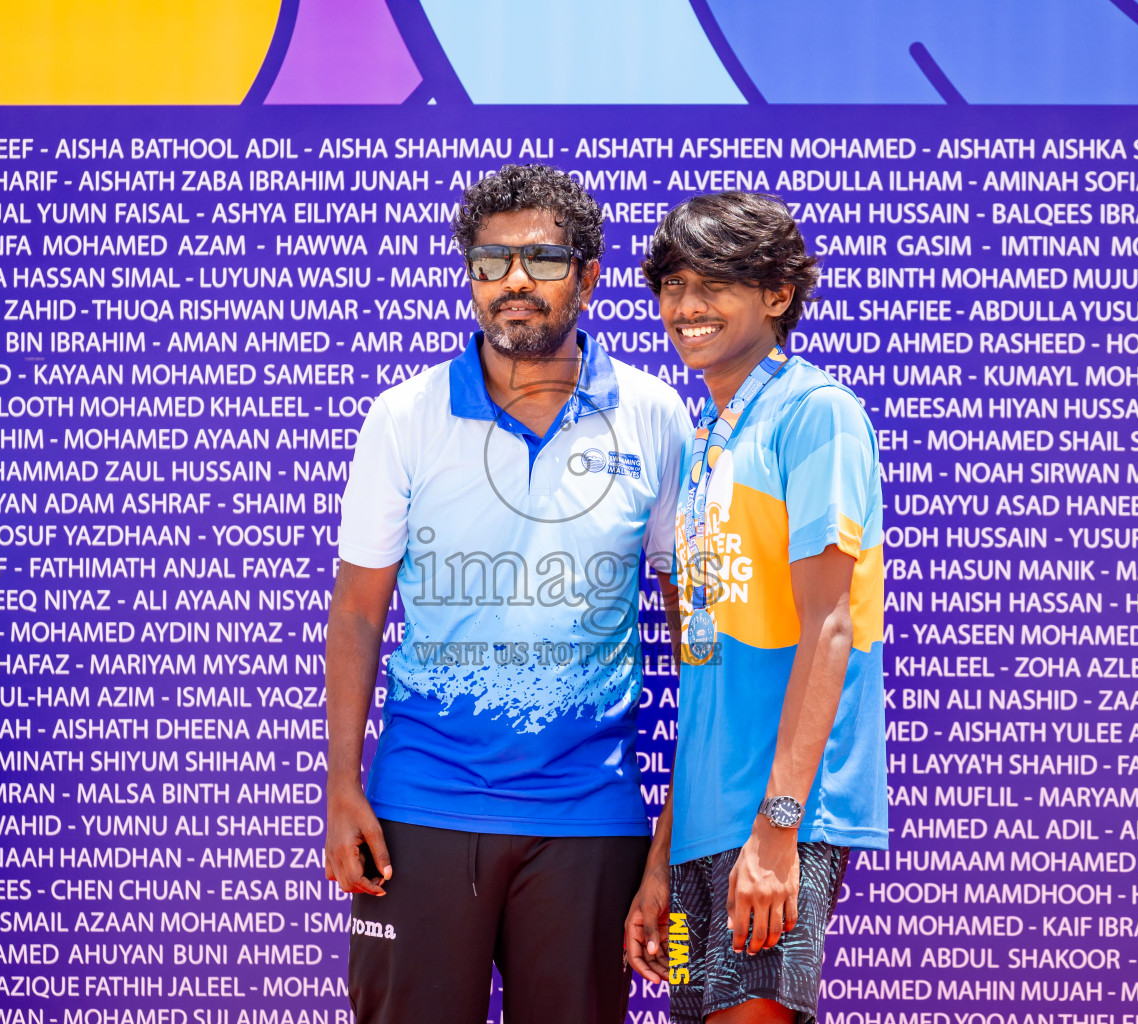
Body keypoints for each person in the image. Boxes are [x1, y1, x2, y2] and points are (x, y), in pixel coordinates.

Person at [324, 165, 688, 1024]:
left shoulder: (655, 415)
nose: (513, 281)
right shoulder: (404, 416)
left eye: (542, 259)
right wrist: (342, 785)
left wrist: (668, 843)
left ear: (589, 277)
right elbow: (355, 614)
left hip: (592, 816)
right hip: (420, 808)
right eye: (490, 261)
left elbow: (694, 636)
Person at [624, 194, 887, 1024]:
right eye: (671, 284)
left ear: (776, 293)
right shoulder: (706, 436)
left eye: (714, 284)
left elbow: (832, 625)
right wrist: (663, 854)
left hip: (779, 823)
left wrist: (777, 830)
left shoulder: (816, 414)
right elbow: (708, 679)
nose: (685, 308)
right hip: (706, 825)